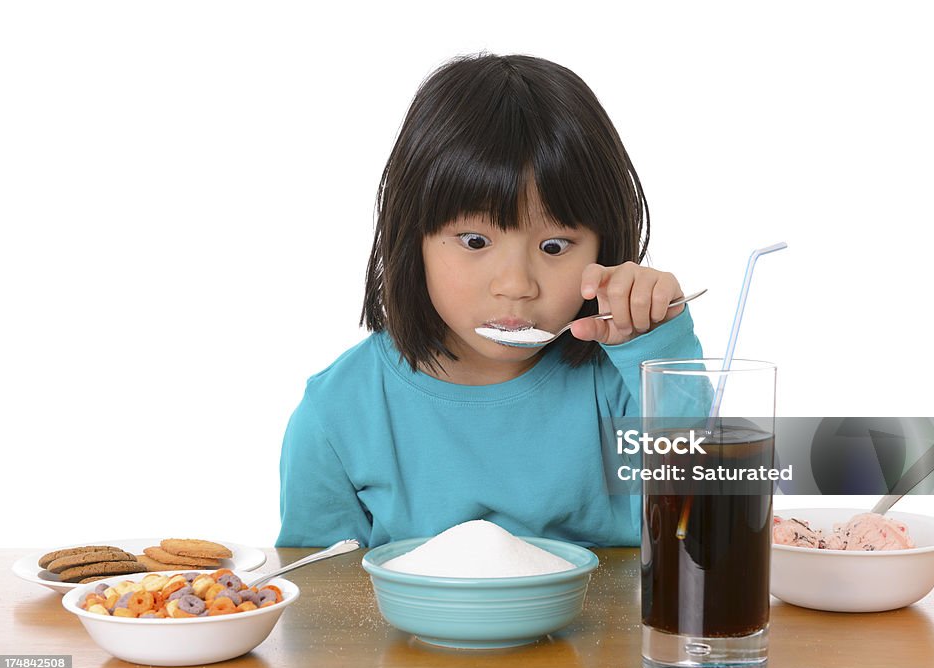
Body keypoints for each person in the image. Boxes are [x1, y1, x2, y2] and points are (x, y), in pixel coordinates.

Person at [276, 53, 705, 548]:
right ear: (412, 238)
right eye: (475, 242)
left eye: (554, 247)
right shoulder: (336, 415)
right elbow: (321, 601)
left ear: (604, 247)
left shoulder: (627, 389)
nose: (516, 284)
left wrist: (659, 350)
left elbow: (699, 529)